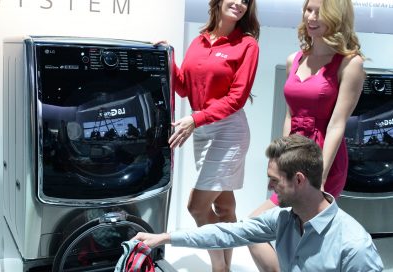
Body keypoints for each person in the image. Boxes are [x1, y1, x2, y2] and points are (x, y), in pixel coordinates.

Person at [132, 134, 384, 271]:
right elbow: (226, 232)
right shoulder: (283, 219)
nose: (269, 187)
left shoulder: (353, 246)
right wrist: (164, 238)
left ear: (299, 180)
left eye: (274, 180)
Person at [248, 0, 366, 270]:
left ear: (337, 15)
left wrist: (319, 176)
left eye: (319, 12)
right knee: (264, 231)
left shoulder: (350, 64)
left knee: (305, 238)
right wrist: (278, 163)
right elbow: (290, 116)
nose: (311, 17)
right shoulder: (295, 59)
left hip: (323, 158)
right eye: (308, 10)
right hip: (292, 156)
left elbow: (337, 124)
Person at [166, 0, 260, 271]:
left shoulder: (247, 44)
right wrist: (167, 57)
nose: (240, 4)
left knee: (196, 207)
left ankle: (219, 267)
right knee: (225, 207)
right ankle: (226, 267)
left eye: (246, 1)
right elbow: (184, 87)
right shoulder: (199, 41)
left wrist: (195, 119)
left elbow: (237, 98)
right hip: (203, 128)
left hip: (228, 129)